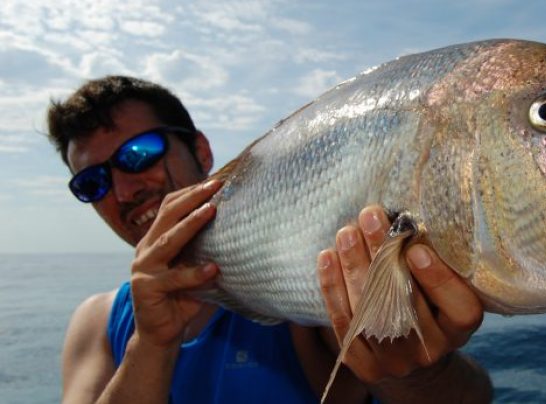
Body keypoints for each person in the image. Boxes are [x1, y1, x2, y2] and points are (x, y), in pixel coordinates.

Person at [47, 76, 493, 403]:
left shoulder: (294, 286)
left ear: (201, 151)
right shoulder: (98, 321)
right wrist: (153, 343)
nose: (124, 190)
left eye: (138, 154)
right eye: (92, 183)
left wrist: (412, 370)